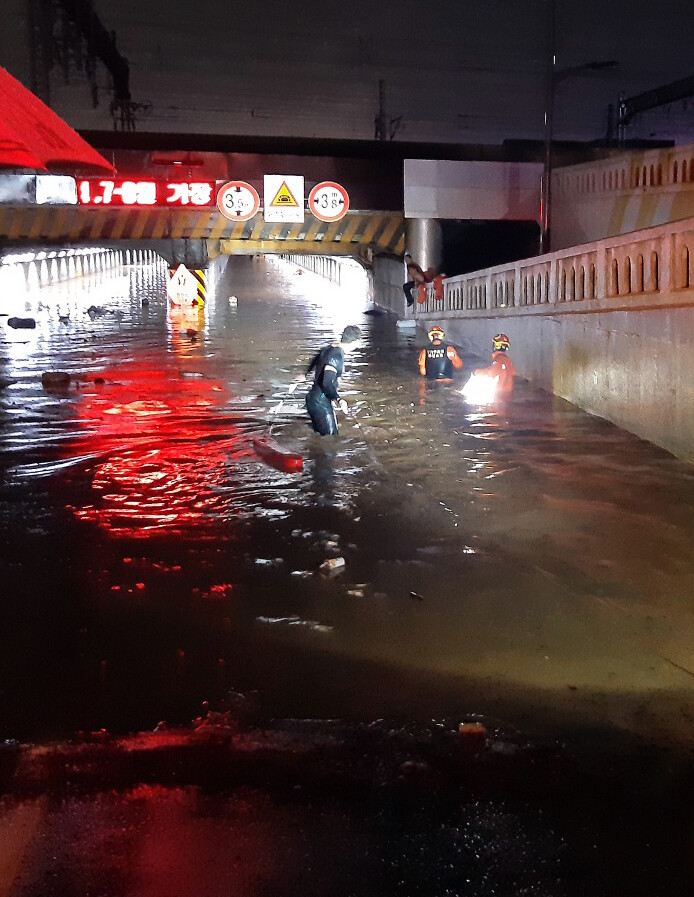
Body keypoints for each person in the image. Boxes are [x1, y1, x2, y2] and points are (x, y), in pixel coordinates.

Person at [305, 325, 362, 435]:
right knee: (332, 438)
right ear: (355, 342)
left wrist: (305, 374)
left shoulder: (329, 348)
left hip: (313, 398)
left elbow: (316, 358)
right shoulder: (337, 356)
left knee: (320, 436)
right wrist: (338, 399)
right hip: (320, 401)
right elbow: (326, 382)